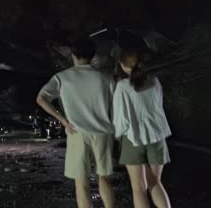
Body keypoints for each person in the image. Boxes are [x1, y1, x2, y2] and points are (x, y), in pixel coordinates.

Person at [36, 37, 116, 208]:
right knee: (104, 177)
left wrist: (63, 120)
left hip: (76, 133)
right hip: (103, 132)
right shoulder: (106, 78)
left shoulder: (62, 78)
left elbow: (41, 98)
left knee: (82, 183)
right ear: (92, 55)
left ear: (72, 55)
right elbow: (116, 106)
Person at [113, 50, 172, 208]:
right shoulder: (155, 81)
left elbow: (121, 119)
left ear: (124, 66)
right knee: (155, 183)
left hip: (133, 139)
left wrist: (117, 136)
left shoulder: (122, 86)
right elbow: (158, 107)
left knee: (138, 189)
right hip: (157, 136)